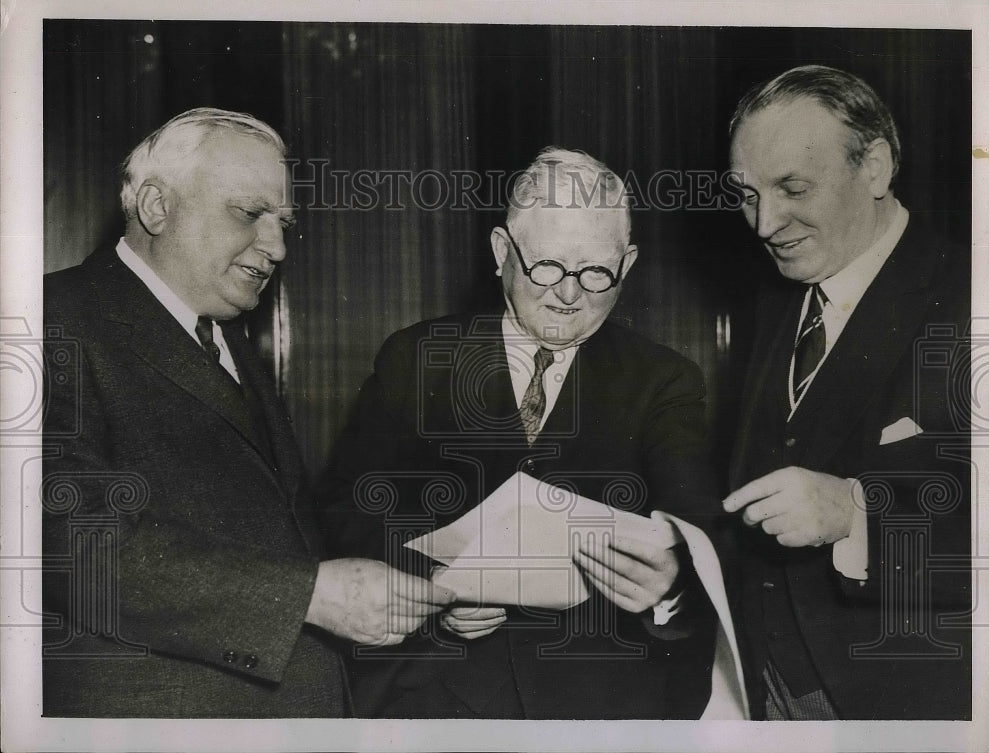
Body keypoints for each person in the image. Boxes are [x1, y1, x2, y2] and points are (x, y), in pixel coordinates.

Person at [41, 108, 454, 717]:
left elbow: (283, 537)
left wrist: (436, 591)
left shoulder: (223, 337)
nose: (277, 246)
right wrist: (308, 597)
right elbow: (69, 542)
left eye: (283, 222)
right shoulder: (45, 321)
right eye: (248, 213)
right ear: (156, 207)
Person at [318, 147, 722, 719]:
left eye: (596, 272)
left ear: (627, 265)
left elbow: (699, 532)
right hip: (441, 696)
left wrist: (673, 583)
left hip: (599, 700)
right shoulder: (417, 358)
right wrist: (433, 586)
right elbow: (346, 509)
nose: (569, 294)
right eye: (548, 266)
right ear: (502, 251)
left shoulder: (664, 380)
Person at [724, 66, 972, 720]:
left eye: (793, 188)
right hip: (763, 684)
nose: (764, 223)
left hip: (904, 706)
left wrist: (855, 512)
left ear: (875, 169)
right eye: (746, 194)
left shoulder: (976, 297)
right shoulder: (778, 299)